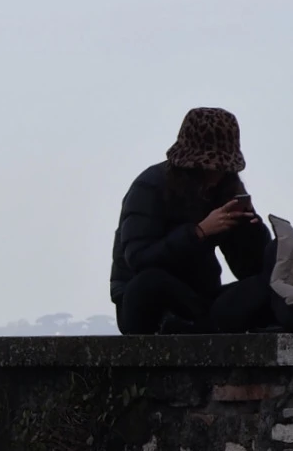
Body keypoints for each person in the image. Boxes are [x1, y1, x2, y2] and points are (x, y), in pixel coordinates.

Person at [111, 107, 272, 334]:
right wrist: (199, 233)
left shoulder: (226, 188)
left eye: (222, 170)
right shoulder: (149, 186)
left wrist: (249, 231)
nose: (215, 177)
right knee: (148, 283)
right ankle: (197, 326)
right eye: (208, 170)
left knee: (267, 288)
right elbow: (138, 259)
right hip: (149, 300)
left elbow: (248, 270)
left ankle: (207, 326)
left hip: (200, 298)